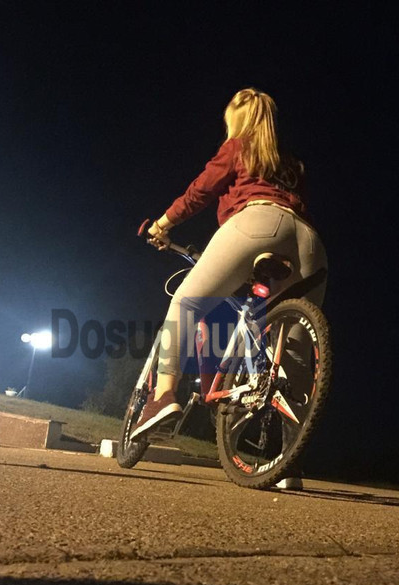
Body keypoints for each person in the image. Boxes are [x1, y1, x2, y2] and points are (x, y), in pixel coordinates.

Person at [130, 87, 328, 487]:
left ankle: (163, 396)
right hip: (309, 242)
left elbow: (201, 191)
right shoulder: (292, 164)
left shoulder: (239, 146)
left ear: (237, 119)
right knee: (292, 352)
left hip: (256, 224)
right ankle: (289, 458)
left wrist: (163, 225)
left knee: (187, 302)